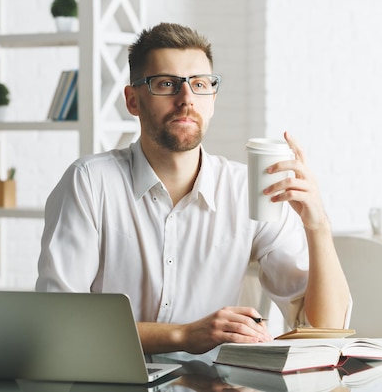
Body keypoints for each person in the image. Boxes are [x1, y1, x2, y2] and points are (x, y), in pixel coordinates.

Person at [36, 22, 351, 355]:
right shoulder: (89, 182)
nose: (186, 99)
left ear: (212, 99)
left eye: (200, 84)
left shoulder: (247, 190)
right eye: (166, 84)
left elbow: (324, 330)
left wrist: (317, 225)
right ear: (132, 100)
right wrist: (183, 335)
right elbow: (59, 322)